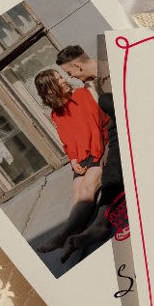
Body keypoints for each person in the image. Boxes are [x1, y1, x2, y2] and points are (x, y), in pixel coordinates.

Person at [56, 46, 125, 261]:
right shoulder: (91, 86)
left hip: (131, 128)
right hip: (114, 136)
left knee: (107, 177)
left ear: (77, 66)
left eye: (69, 73)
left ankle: (92, 226)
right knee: (108, 178)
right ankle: (97, 225)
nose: (72, 78)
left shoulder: (117, 68)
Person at [33, 69, 109, 254]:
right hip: (82, 157)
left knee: (87, 190)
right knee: (77, 195)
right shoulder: (56, 114)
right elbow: (67, 140)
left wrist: (99, 157)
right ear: (49, 90)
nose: (64, 80)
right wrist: (73, 159)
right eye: (58, 80)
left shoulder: (82, 95)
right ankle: (72, 241)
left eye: (61, 77)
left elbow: (95, 127)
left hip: (100, 148)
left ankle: (62, 236)